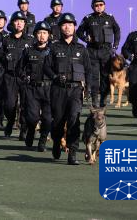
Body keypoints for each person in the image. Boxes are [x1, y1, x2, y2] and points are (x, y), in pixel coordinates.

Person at [44, 12, 89, 165]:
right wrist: (55, 77)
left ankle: (73, 152)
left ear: (75, 27)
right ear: (60, 28)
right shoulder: (54, 47)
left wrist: (89, 91)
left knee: (74, 120)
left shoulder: (82, 49)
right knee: (58, 121)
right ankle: (57, 143)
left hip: (76, 90)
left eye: (70, 24)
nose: (67, 27)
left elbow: (89, 71)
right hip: (58, 90)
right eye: (64, 24)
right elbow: (46, 67)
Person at [77, 0, 119, 107]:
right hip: (92, 51)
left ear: (104, 5)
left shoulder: (110, 18)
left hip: (106, 51)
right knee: (94, 76)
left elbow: (117, 30)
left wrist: (115, 46)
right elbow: (79, 32)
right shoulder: (88, 18)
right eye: (96, 5)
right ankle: (95, 99)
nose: (99, 7)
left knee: (105, 76)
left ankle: (103, 99)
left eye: (101, 5)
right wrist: (86, 38)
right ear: (92, 7)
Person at [18, 21, 53, 151]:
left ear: (49, 35)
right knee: (32, 117)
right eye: (39, 33)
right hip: (32, 88)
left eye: (44, 33)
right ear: (35, 35)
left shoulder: (53, 52)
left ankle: (42, 141)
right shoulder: (28, 51)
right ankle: (31, 131)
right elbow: (19, 68)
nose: (42, 36)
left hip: (49, 89)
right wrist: (23, 77)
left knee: (48, 119)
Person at [0, 12, 32, 137]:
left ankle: (23, 128)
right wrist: (5, 56)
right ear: (12, 23)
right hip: (10, 76)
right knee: (9, 104)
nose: (19, 23)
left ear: (25, 24)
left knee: (25, 105)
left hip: (25, 77)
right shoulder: (6, 39)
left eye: (21, 21)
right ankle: (10, 122)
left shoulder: (30, 40)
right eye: (16, 21)